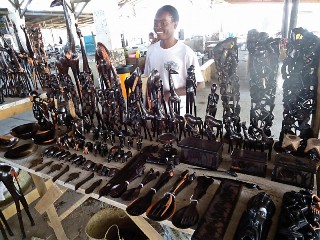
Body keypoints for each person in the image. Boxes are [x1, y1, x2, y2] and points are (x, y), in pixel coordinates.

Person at [144, 5, 205, 102]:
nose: (158, 27)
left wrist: (172, 94)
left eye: (163, 23)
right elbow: (147, 80)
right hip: (155, 110)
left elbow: (200, 84)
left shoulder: (186, 52)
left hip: (178, 111)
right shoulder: (151, 50)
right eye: (155, 23)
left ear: (175, 25)